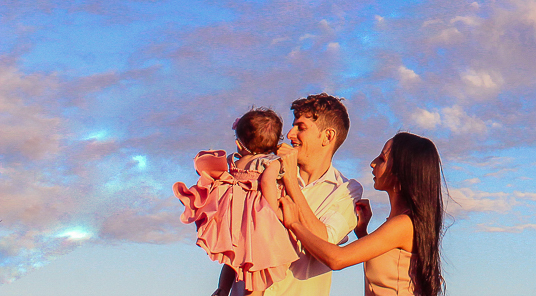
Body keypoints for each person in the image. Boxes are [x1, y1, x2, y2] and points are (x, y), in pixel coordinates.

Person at [280, 132, 445, 296]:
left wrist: (294, 223)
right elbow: (388, 271)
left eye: (382, 159)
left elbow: (337, 259)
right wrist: (362, 234)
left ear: (401, 172)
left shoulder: (403, 224)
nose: (373, 163)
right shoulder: (401, 223)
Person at [246, 94, 364, 296]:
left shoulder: (346, 191)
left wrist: (291, 181)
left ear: (328, 136)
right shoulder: (268, 172)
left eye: (300, 128)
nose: (290, 134)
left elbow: (325, 243)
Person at [174, 108, 298, 296]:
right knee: (258, 265)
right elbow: (266, 183)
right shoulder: (271, 162)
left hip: (235, 219)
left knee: (233, 258)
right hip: (257, 219)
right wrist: (274, 212)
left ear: (239, 143)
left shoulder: (235, 162)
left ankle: (223, 288)